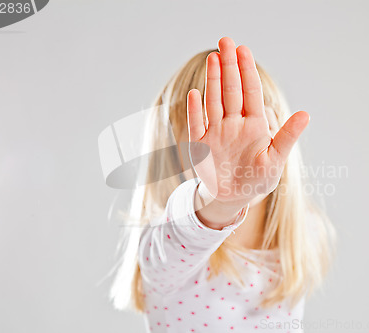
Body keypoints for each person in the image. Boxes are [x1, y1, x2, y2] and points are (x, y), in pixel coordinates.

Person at [109, 36, 336, 332]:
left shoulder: (304, 231)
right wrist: (223, 200)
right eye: (207, 131)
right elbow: (183, 232)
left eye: (247, 121)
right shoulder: (162, 247)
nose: (235, 144)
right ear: (173, 153)